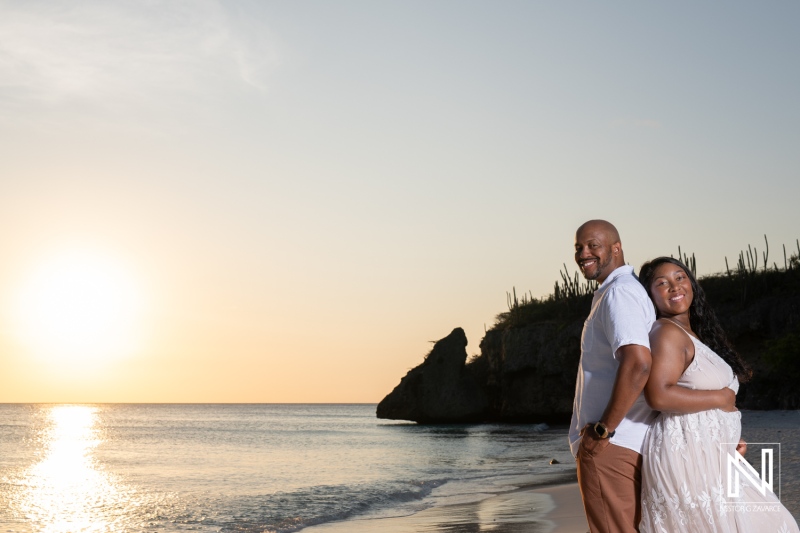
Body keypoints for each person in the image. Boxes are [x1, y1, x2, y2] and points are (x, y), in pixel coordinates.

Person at [637, 256, 799, 532]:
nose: (674, 287)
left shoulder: (692, 334)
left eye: (680, 277)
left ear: (692, 284)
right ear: (650, 295)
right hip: (688, 456)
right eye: (662, 283)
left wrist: (728, 436)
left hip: (713, 453)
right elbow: (659, 396)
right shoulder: (666, 333)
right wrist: (721, 399)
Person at [569, 220, 657, 532]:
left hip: (611, 446)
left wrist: (604, 431)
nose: (583, 253)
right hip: (622, 444)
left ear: (616, 248)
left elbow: (638, 362)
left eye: (593, 245)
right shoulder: (617, 292)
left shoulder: (619, 293)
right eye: (579, 247)